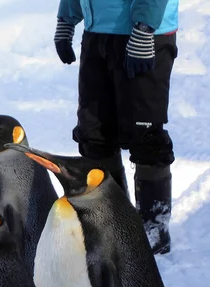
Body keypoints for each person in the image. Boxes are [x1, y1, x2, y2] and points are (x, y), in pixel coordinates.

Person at [53, 0, 179, 255]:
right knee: (94, 134)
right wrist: (67, 19)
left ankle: (152, 232)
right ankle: (111, 224)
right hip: (97, 32)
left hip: (143, 36)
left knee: (145, 134)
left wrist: (145, 27)